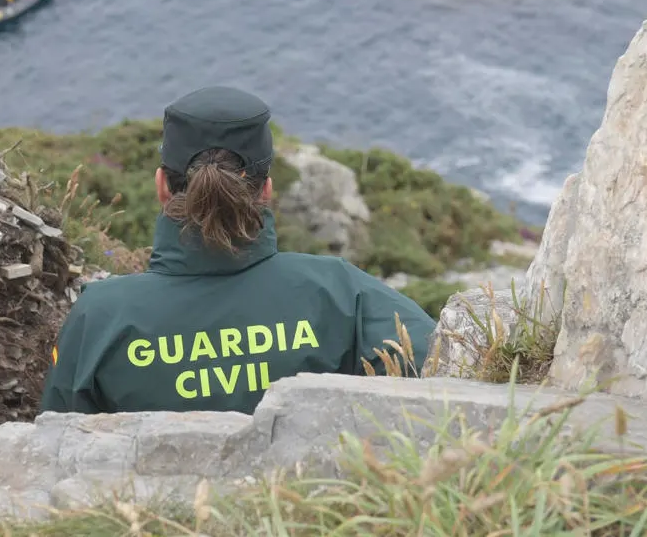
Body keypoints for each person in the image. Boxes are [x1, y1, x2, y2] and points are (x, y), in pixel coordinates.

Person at [40, 86, 437, 414]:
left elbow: (54, 450)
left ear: (162, 186)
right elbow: (450, 372)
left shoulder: (99, 317)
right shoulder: (343, 293)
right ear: (266, 191)